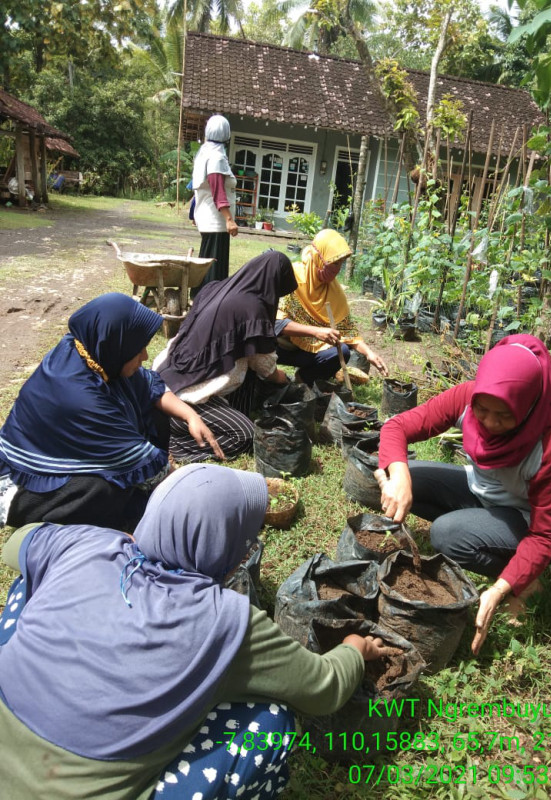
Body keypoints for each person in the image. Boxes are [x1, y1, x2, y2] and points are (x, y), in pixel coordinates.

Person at [0, 463, 387, 800]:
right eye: (247, 538)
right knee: (272, 720)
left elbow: (15, 544)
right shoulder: (226, 620)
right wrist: (355, 647)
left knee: (28, 581)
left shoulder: (85, 544)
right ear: (230, 549)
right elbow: (324, 688)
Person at [377, 334, 551, 656]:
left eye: (505, 415)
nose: (490, 422)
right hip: (490, 493)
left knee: (449, 535)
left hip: (540, 522)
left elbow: (546, 533)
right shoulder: (467, 396)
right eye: (483, 409)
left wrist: (501, 588)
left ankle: (525, 581)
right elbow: (397, 427)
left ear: (530, 403)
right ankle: (483, 530)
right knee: (412, 476)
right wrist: (401, 476)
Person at [0, 293, 223, 531]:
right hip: (29, 485)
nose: (145, 357)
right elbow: (151, 465)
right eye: (139, 350)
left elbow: (148, 384)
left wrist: (191, 416)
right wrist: (200, 495)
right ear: (116, 345)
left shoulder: (91, 351)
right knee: (104, 490)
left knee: (157, 412)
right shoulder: (80, 398)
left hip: (63, 458)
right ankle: (51, 528)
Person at [154, 250, 298, 462]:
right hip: (184, 398)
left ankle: (214, 415)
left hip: (164, 378)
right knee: (246, 436)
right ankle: (175, 442)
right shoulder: (253, 309)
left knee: (247, 367)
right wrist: (286, 381)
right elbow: (267, 370)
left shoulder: (215, 288)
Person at [275, 228, 389, 385]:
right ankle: (265, 376)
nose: (337, 270)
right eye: (334, 263)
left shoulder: (335, 291)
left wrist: (369, 353)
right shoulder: (293, 277)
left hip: (307, 351)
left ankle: (301, 381)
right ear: (318, 257)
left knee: (341, 351)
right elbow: (277, 324)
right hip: (278, 346)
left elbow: (347, 331)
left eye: (341, 264)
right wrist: (316, 332)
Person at [192, 114, 238, 288]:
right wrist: (229, 219)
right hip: (216, 221)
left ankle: (201, 301)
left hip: (209, 219)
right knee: (213, 271)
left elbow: (196, 187)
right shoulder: (217, 157)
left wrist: (192, 213)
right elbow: (216, 188)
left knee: (206, 265)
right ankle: (207, 304)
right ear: (226, 134)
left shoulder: (204, 152)